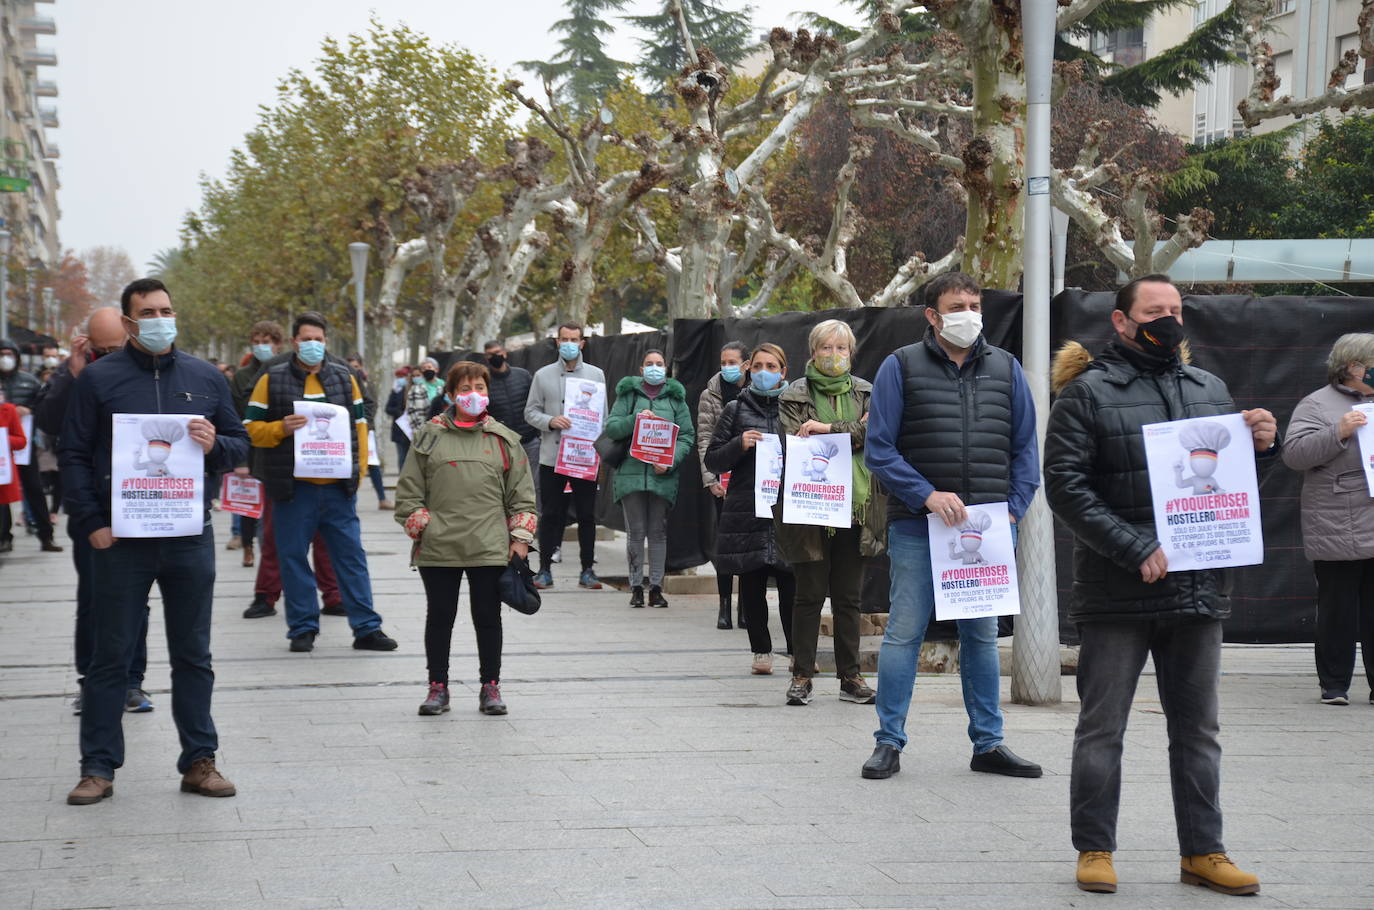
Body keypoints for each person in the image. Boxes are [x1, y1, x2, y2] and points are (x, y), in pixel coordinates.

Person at [1045, 274, 1277, 896]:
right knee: (1103, 727)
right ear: (1121, 322)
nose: (1168, 320)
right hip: (1118, 593)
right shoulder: (1087, 393)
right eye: (1154, 311)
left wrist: (1259, 448)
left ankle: (1204, 851)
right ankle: (1094, 847)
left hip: (1199, 591)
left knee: (1198, 730)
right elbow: (1065, 487)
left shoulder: (1211, 389)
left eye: (1175, 310)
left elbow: (1228, 488)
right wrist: (1133, 546)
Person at [61, 278, 247, 805]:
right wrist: (91, 521)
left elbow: (238, 444)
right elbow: (73, 454)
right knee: (110, 657)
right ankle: (97, 768)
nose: (160, 319)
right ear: (127, 322)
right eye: (148, 311)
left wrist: (215, 445)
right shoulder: (98, 380)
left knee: (194, 654)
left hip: (189, 536)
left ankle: (200, 762)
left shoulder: (206, 377)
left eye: (167, 309)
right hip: (120, 541)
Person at [861, 272, 1042, 783]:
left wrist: (1014, 508)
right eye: (957, 305)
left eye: (975, 303)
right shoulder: (900, 366)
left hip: (986, 531)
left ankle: (989, 743)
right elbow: (880, 449)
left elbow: (1026, 446)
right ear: (933, 316)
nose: (969, 313)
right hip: (919, 526)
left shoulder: (1007, 368)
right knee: (903, 634)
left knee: (981, 637)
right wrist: (926, 495)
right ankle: (888, 743)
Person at [244, 311, 397, 653]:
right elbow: (251, 428)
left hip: (337, 488)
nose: (313, 345)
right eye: (306, 339)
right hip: (292, 489)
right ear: (294, 341)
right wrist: (279, 428)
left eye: (319, 339)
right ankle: (302, 628)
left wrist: (357, 475)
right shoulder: (272, 377)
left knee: (351, 557)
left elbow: (361, 427)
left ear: (326, 342)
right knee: (293, 557)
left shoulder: (345, 377)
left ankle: (367, 628)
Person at [395, 361, 536, 717]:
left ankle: (491, 686)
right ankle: (437, 688)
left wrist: (519, 539)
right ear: (450, 394)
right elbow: (408, 494)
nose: (473, 395)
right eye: (465, 389)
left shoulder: (504, 440)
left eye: (480, 388)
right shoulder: (429, 436)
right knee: (440, 617)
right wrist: (424, 525)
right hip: (439, 545)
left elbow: (523, 496)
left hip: (490, 546)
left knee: (488, 617)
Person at [35, 309, 155, 715]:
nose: (106, 356)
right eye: (98, 349)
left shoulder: (146, 372)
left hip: (139, 503)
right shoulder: (76, 375)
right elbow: (50, 423)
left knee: (135, 599)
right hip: (91, 507)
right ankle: (91, 682)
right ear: (87, 345)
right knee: (92, 598)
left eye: (113, 349)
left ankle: (132, 681)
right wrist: (72, 371)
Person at [776, 320, 881, 707]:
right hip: (811, 506)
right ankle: (802, 674)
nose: (834, 356)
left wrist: (824, 428)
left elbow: (876, 433)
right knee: (809, 595)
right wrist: (851, 431)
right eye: (826, 348)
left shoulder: (868, 391)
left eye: (842, 349)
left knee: (848, 598)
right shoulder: (794, 394)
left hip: (856, 504)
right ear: (813, 351)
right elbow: (794, 441)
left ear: (851, 354)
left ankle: (850, 676)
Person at [1281, 333, 1374, 707]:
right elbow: (1294, 454)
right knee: (1337, 608)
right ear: (1354, 367)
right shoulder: (1316, 404)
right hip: (1339, 523)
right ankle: (1334, 684)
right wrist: (1338, 431)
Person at [704, 343, 796, 675]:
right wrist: (738, 444)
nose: (763, 372)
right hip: (747, 507)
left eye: (771, 366)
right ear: (748, 370)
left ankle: (797, 651)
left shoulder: (798, 407)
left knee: (791, 583)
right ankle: (761, 651)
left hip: (788, 508)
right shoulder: (734, 408)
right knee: (753, 581)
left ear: (783, 372)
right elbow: (712, 457)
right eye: (757, 366)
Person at [603, 349, 695, 608]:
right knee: (635, 532)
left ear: (666, 369)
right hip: (630, 475)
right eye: (649, 364)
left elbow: (687, 436)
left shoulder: (676, 400)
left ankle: (656, 587)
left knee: (657, 532)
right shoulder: (628, 395)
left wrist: (669, 461)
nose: (654, 368)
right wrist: (635, 419)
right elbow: (612, 427)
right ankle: (635, 587)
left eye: (659, 364)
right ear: (641, 370)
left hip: (661, 477)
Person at [525, 322, 607, 590]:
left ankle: (587, 571)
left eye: (574, 338)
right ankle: (544, 569)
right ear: (557, 342)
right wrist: (550, 421)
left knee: (586, 514)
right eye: (564, 339)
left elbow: (603, 417)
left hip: (584, 456)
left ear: (582, 343)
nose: (569, 343)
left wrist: (597, 445)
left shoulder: (596, 375)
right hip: (552, 455)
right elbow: (530, 412)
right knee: (550, 514)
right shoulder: (542, 375)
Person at [697, 341, 750, 629]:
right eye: (723, 361)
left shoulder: (756, 390)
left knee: (748, 545)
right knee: (725, 543)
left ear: (745, 364)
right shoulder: (710, 394)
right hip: (722, 479)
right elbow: (704, 438)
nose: (727, 367)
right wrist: (710, 479)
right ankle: (724, 606)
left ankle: (745, 607)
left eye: (733, 362)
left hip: (752, 479)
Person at [0, 337, 61, 553]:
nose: (5, 359)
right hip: (2, 449)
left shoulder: (29, 381)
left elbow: (46, 405)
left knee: (35, 489)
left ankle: (46, 535)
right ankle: (3, 537)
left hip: (25, 447)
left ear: (16, 357)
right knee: (2, 493)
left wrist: (30, 410)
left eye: (9, 354)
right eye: (2, 354)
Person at [481, 340, 540, 512]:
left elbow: (534, 403)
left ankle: (534, 522)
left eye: (498, 352)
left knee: (534, 484)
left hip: (529, 440)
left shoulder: (523, 375)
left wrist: (536, 433)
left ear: (505, 353)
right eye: (491, 354)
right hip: (501, 444)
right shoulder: (485, 381)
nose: (495, 357)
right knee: (506, 486)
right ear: (486, 357)